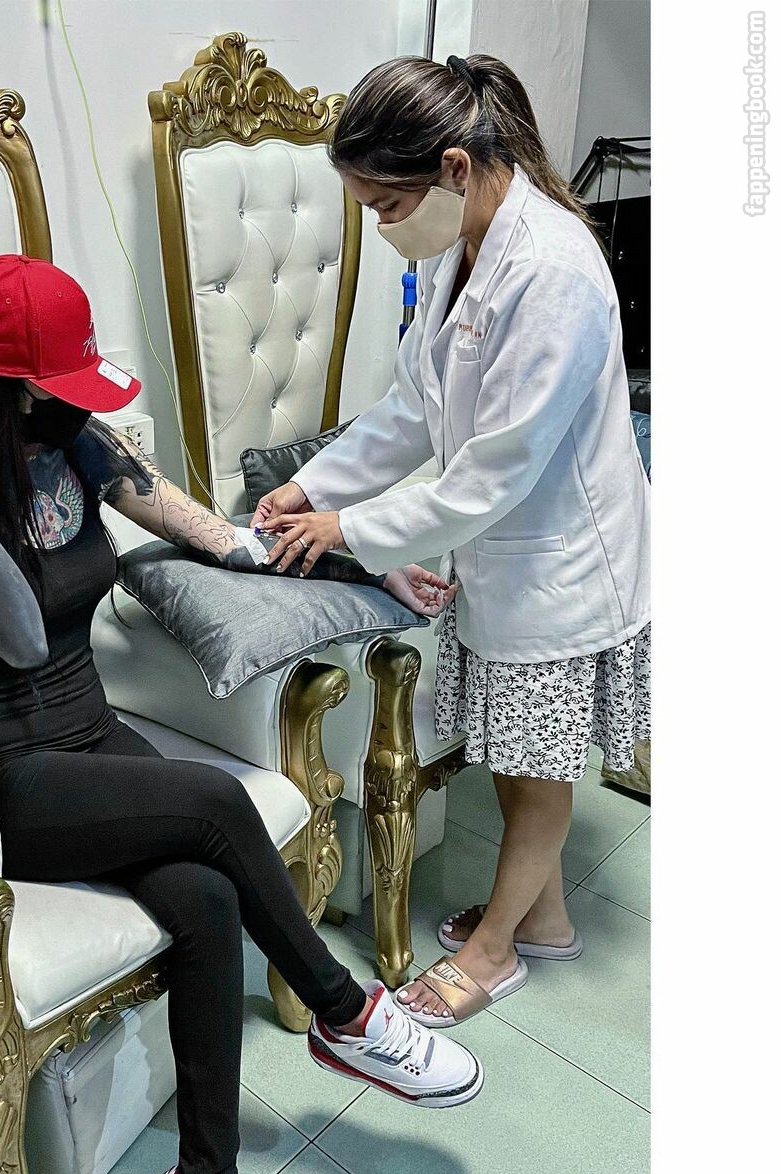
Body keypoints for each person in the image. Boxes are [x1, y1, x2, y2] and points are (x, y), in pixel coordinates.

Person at [0, 253, 480, 1174]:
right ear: (14, 386)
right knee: (220, 805)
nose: (81, 399)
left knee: (206, 901)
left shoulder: (78, 443)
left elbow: (219, 536)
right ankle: (346, 1013)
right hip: (11, 774)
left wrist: (366, 568)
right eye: (60, 381)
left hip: (95, 738)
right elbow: (16, 635)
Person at [254, 54, 650, 1031]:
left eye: (388, 205)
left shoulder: (551, 272)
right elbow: (413, 411)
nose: (383, 227)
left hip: (564, 567)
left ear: (455, 168)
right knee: (513, 750)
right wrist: (312, 484)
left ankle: (496, 950)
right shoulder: (461, 252)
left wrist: (346, 528)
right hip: (505, 556)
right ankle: (542, 918)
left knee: (537, 769)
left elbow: (490, 474)